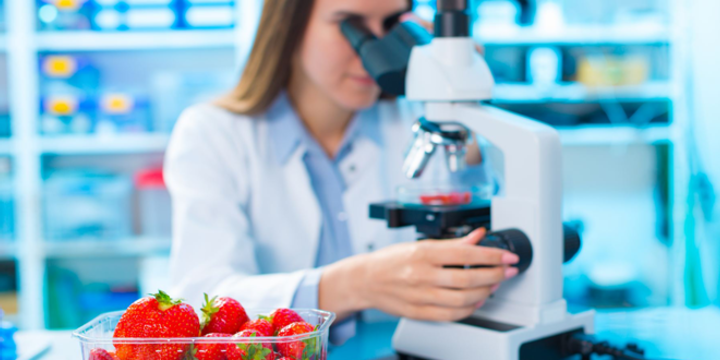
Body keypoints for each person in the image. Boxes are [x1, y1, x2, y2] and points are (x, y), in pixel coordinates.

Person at [164, 0, 520, 343]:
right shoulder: (214, 133)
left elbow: (480, 224)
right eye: (351, 26)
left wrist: (461, 106)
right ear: (290, 25)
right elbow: (202, 298)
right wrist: (356, 283)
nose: (373, 53)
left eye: (391, 26)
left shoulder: (419, 121)